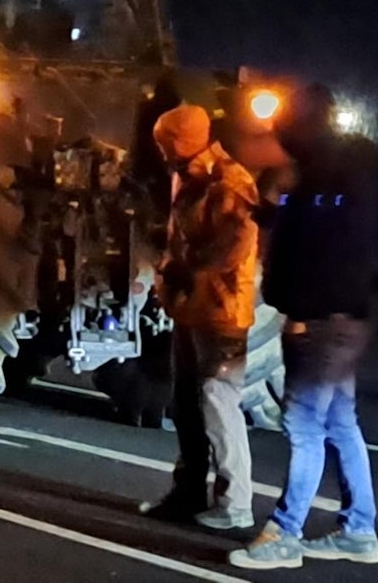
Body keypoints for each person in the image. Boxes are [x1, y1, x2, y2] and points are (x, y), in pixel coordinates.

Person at [230, 85, 378, 569]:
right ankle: (359, 530)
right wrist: (274, 214)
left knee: (304, 426)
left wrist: (296, 308)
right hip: (347, 317)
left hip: (319, 320)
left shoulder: (319, 176)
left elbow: (317, 252)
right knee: (340, 422)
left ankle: (285, 532)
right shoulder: (347, 174)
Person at [140, 104, 260, 530]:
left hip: (221, 313)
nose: (160, 152)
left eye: (165, 143)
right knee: (188, 406)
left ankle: (235, 503)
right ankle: (188, 492)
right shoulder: (189, 177)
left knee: (218, 403)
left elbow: (234, 245)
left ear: (181, 142)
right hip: (192, 309)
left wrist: (185, 268)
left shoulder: (228, 182)